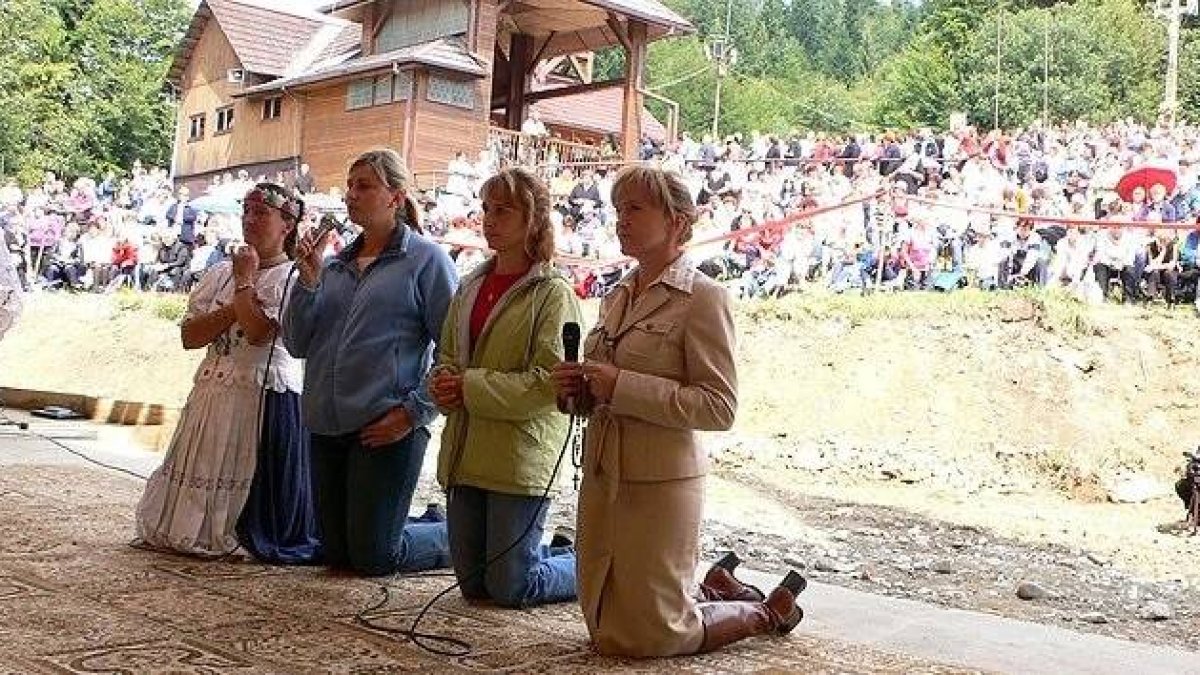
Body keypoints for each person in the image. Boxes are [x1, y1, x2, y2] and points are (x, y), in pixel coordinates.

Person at [550, 166, 803, 657]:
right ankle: (714, 590)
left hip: (660, 480)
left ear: (677, 222)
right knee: (604, 627)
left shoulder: (705, 299)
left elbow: (718, 406)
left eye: (635, 209)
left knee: (651, 636)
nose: (621, 220)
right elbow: (604, 392)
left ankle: (762, 612)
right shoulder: (616, 296)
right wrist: (576, 392)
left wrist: (621, 384)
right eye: (618, 210)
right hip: (604, 473)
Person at [282, 148, 457, 577]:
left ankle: (457, 536)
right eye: (350, 185)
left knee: (374, 558)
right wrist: (307, 282)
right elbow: (298, 343)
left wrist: (413, 414)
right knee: (336, 555)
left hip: (385, 426)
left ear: (395, 198)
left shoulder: (426, 260)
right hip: (326, 424)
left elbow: (454, 351)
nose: (351, 195)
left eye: (364, 186)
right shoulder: (335, 266)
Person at [135, 183, 320, 562]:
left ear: (287, 224)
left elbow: (257, 334)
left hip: (261, 392)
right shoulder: (220, 270)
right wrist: (238, 298)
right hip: (214, 387)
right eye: (246, 211)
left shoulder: (291, 277)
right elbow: (190, 336)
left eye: (261, 213)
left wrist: (243, 283)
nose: (250, 220)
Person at [429, 168, 581, 608]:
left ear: (533, 219)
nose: (489, 219)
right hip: (465, 449)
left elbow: (547, 382)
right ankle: (549, 549)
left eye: (503, 210)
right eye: (486, 209)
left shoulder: (554, 294)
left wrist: (468, 387)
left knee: (511, 587)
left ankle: (587, 560)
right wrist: (439, 384)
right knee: (474, 588)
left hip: (519, 455)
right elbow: (448, 358)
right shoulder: (470, 285)